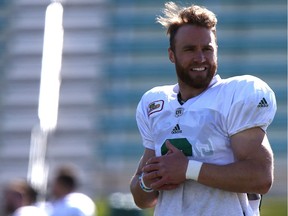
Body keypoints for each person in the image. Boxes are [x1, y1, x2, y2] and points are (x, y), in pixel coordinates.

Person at [130, 2, 277, 216]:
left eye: (207, 49)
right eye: (190, 49)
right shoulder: (155, 103)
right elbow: (143, 198)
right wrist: (146, 182)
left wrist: (188, 169)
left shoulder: (235, 94)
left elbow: (261, 178)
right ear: (172, 55)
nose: (200, 58)